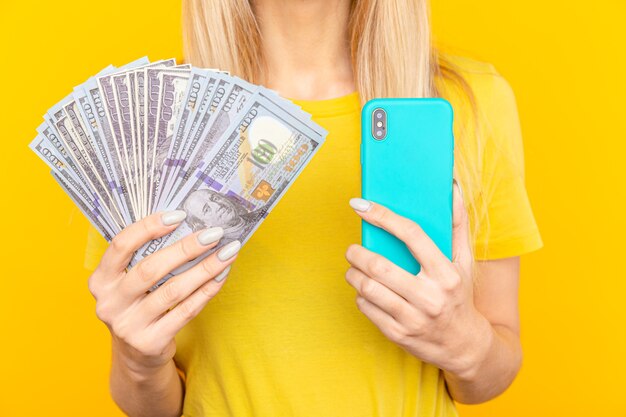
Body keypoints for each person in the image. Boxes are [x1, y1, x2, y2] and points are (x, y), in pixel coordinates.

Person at [84, 0, 543, 416]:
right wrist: (138, 363)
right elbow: (149, 405)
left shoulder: (468, 101)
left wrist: (463, 341)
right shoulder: (150, 120)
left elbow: (491, 373)